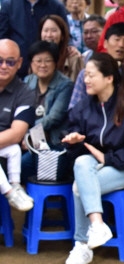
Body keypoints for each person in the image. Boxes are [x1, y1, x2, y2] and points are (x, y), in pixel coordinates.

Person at [62, 52, 124, 264]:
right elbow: (77, 154)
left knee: (79, 187)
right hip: (92, 165)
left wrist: (107, 157)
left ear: (109, 78)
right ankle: (98, 225)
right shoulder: (84, 107)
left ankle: (81, 243)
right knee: (81, 164)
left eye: (91, 75)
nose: (86, 80)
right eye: (85, 76)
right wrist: (73, 142)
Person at [21, 41, 74, 183]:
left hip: (53, 143)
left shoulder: (65, 85)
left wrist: (26, 133)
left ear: (55, 63)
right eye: (38, 61)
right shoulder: (28, 81)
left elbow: (54, 118)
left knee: (23, 163)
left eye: (47, 61)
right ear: (31, 64)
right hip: (30, 140)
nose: (42, 65)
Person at [69, 22, 124, 110]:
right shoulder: (86, 74)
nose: (121, 45)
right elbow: (74, 109)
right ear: (105, 43)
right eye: (117, 39)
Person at [0, 39, 36, 211]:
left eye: (10, 61)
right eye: (0, 61)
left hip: (4, 152)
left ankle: (14, 188)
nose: (4, 66)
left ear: (19, 63)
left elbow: (16, 134)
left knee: (14, 148)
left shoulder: (25, 94)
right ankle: (9, 191)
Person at [0, 0, 68, 78]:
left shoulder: (56, 6)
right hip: (16, 68)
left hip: (45, 69)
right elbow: (2, 37)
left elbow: (65, 32)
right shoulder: (9, 5)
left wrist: (70, 46)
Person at [39, 15, 84, 82]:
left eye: (54, 31)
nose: (49, 35)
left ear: (62, 35)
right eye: (45, 30)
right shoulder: (36, 57)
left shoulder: (74, 59)